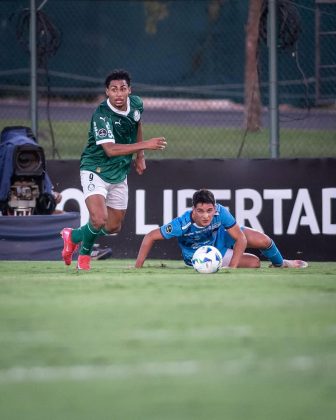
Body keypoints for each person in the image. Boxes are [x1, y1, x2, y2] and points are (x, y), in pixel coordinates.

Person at [61, 69, 167, 270]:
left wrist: (140, 157)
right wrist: (145, 145)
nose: (118, 94)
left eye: (122, 89)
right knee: (99, 219)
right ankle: (84, 257)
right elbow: (110, 150)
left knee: (113, 226)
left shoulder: (136, 104)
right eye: (114, 90)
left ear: (129, 90)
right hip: (95, 169)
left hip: (119, 172)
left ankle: (73, 236)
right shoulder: (102, 115)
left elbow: (136, 123)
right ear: (107, 92)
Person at [135, 188, 308, 269]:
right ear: (193, 209)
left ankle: (281, 263)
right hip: (200, 254)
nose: (205, 216)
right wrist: (138, 267)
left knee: (264, 240)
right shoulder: (182, 224)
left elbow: (240, 238)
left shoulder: (221, 212)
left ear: (215, 208)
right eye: (200, 211)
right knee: (254, 263)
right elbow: (150, 236)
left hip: (220, 238)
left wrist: (231, 267)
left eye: (209, 211)